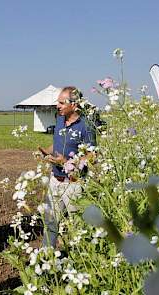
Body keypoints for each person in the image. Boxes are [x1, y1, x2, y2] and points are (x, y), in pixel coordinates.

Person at [39, 86, 97, 248]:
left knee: (78, 225)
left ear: (75, 104)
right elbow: (57, 144)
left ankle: (80, 260)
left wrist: (68, 163)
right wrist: (45, 152)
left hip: (74, 183)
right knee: (50, 223)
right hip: (54, 180)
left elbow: (93, 155)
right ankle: (47, 258)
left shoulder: (86, 125)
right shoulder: (59, 120)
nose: (57, 106)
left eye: (61, 102)